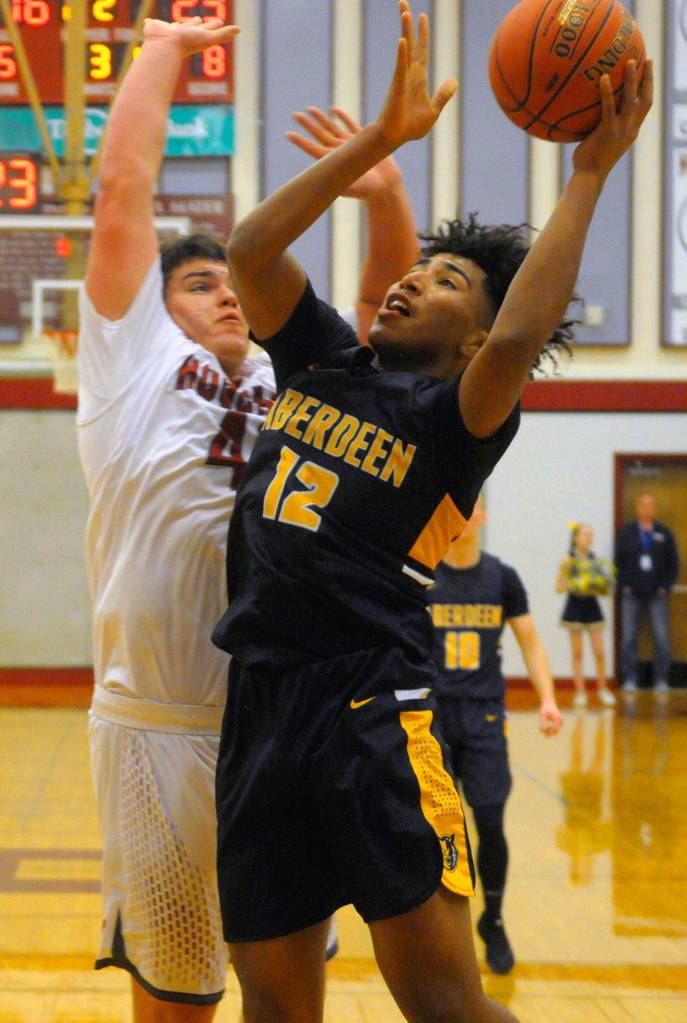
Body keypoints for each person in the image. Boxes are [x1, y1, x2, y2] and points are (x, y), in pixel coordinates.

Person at [211, 3, 652, 1019]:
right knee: (275, 1008)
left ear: (474, 340)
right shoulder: (322, 358)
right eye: (416, 269)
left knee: (445, 1003)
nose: (411, 281)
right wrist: (379, 140)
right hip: (259, 706)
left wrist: (589, 174)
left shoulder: (453, 420)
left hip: (372, 707)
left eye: (445, 281)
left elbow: (520, 340)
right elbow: (251, 249)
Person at [78, 14, 419, 1021]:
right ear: (155, 304)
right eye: (200, 283)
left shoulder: (295, 373)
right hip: (160, 718)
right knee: (176, 997)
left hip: (286, 714)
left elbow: (384, 326)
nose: (227, 296)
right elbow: (122, 191)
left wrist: (388, 196)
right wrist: (164, 51)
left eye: (235, 284)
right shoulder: (132, 359)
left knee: (287, 994)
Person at [428, 498, 563, 975]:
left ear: (481, 516)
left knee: (489, 821)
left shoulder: (502, 578)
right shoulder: (423, 575)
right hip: (434, 718)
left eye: (471, 509)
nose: (463, 517)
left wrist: (548, 699)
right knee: (438, 831)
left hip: (484, 716)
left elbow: (532, 644)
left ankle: (495, 918)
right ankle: (439, 930)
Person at [615, 493, 679, 695]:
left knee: (661, 637)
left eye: (651, 505)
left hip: (657, 594)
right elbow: (618, 561)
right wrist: (624, 584)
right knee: (628, 638)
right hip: (631, 594)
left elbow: (673, 563)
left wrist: (665, 586)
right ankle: (630, 678)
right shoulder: (627, 533)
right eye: (643, 504)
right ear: (638, 507)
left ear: (655, 508)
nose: (647, 508)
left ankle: (661, 679)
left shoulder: (663, 533)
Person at [556, 522, 616, 708]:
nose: (588, 538)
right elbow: (559, 587)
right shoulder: (568, 560)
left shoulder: (597, 559)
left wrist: (600, 583)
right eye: (584, 534)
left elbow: (608, 587)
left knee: (599, 652)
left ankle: (603, 689)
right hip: (574, 607)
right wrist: (568, 576)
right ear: (575, 538)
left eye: (590, 535)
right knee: (577, 653)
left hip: (592, 606)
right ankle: (580, 692)